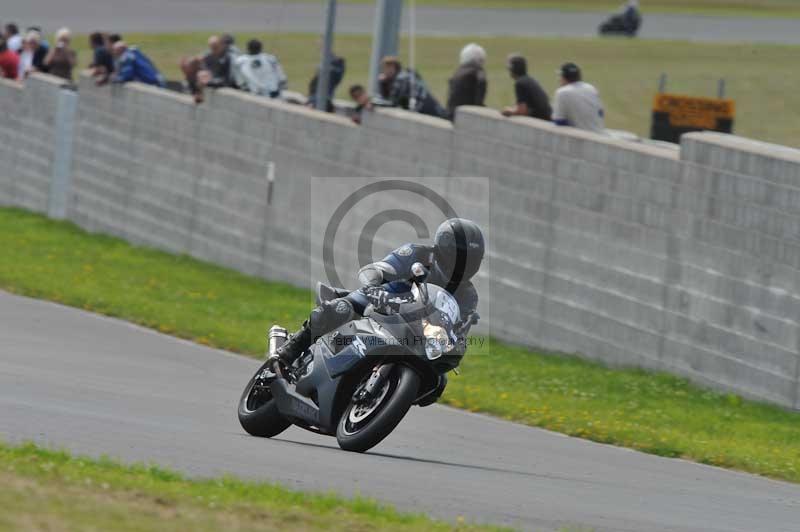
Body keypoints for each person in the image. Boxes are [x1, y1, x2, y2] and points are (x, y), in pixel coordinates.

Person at [271, 218, 485, 405]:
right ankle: (290, 349)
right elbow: (381, 268)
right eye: (461, 257)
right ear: (444, 251)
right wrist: (375, 284)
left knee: (437, 383)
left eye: (471, 259)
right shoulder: (417, 253)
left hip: (418, 331)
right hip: (383, 301)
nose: (463, 265)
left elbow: (458, 326)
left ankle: (387, 393)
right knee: (341, 308)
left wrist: (455, 342)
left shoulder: (468, 294)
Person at [380, 56, 446, 119]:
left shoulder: (401, 79)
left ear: (392, 68)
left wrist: (383, 84)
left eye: (386, 68)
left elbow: (392, 102)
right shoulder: (406, 74)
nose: (384, 71)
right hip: (430, 107)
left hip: (427, 109)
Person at [552, 62, 605, 133]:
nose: (559, 79)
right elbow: (600, 113)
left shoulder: (562, 92)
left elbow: (558, 121)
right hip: (599, 135)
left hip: (580, 139)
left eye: (560, 76)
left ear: (564, 78)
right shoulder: (591, 88)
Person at [181, 35, 237, 102]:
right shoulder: (209, 56)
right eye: (212, 48)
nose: (213, 50)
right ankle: (196, 94)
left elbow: (228, 80)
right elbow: (199, 64)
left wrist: (209, 82)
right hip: (213, 81)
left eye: (216, 47)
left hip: (229, 87)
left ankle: (198, 94)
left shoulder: (229, 58)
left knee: (202, 75)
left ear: (221, 45)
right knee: (198, 71)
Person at [501, 54, 551, 121]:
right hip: (546, 118)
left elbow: (522, 111)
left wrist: (509, 111)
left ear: (512, 69)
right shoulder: (529, 79)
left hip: (540, 121)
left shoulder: (519, 83)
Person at [446, 43, 487, 120]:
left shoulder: (457, 72)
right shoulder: (478, 72)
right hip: (466, 116)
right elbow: (479, 102)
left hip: (450, 114)